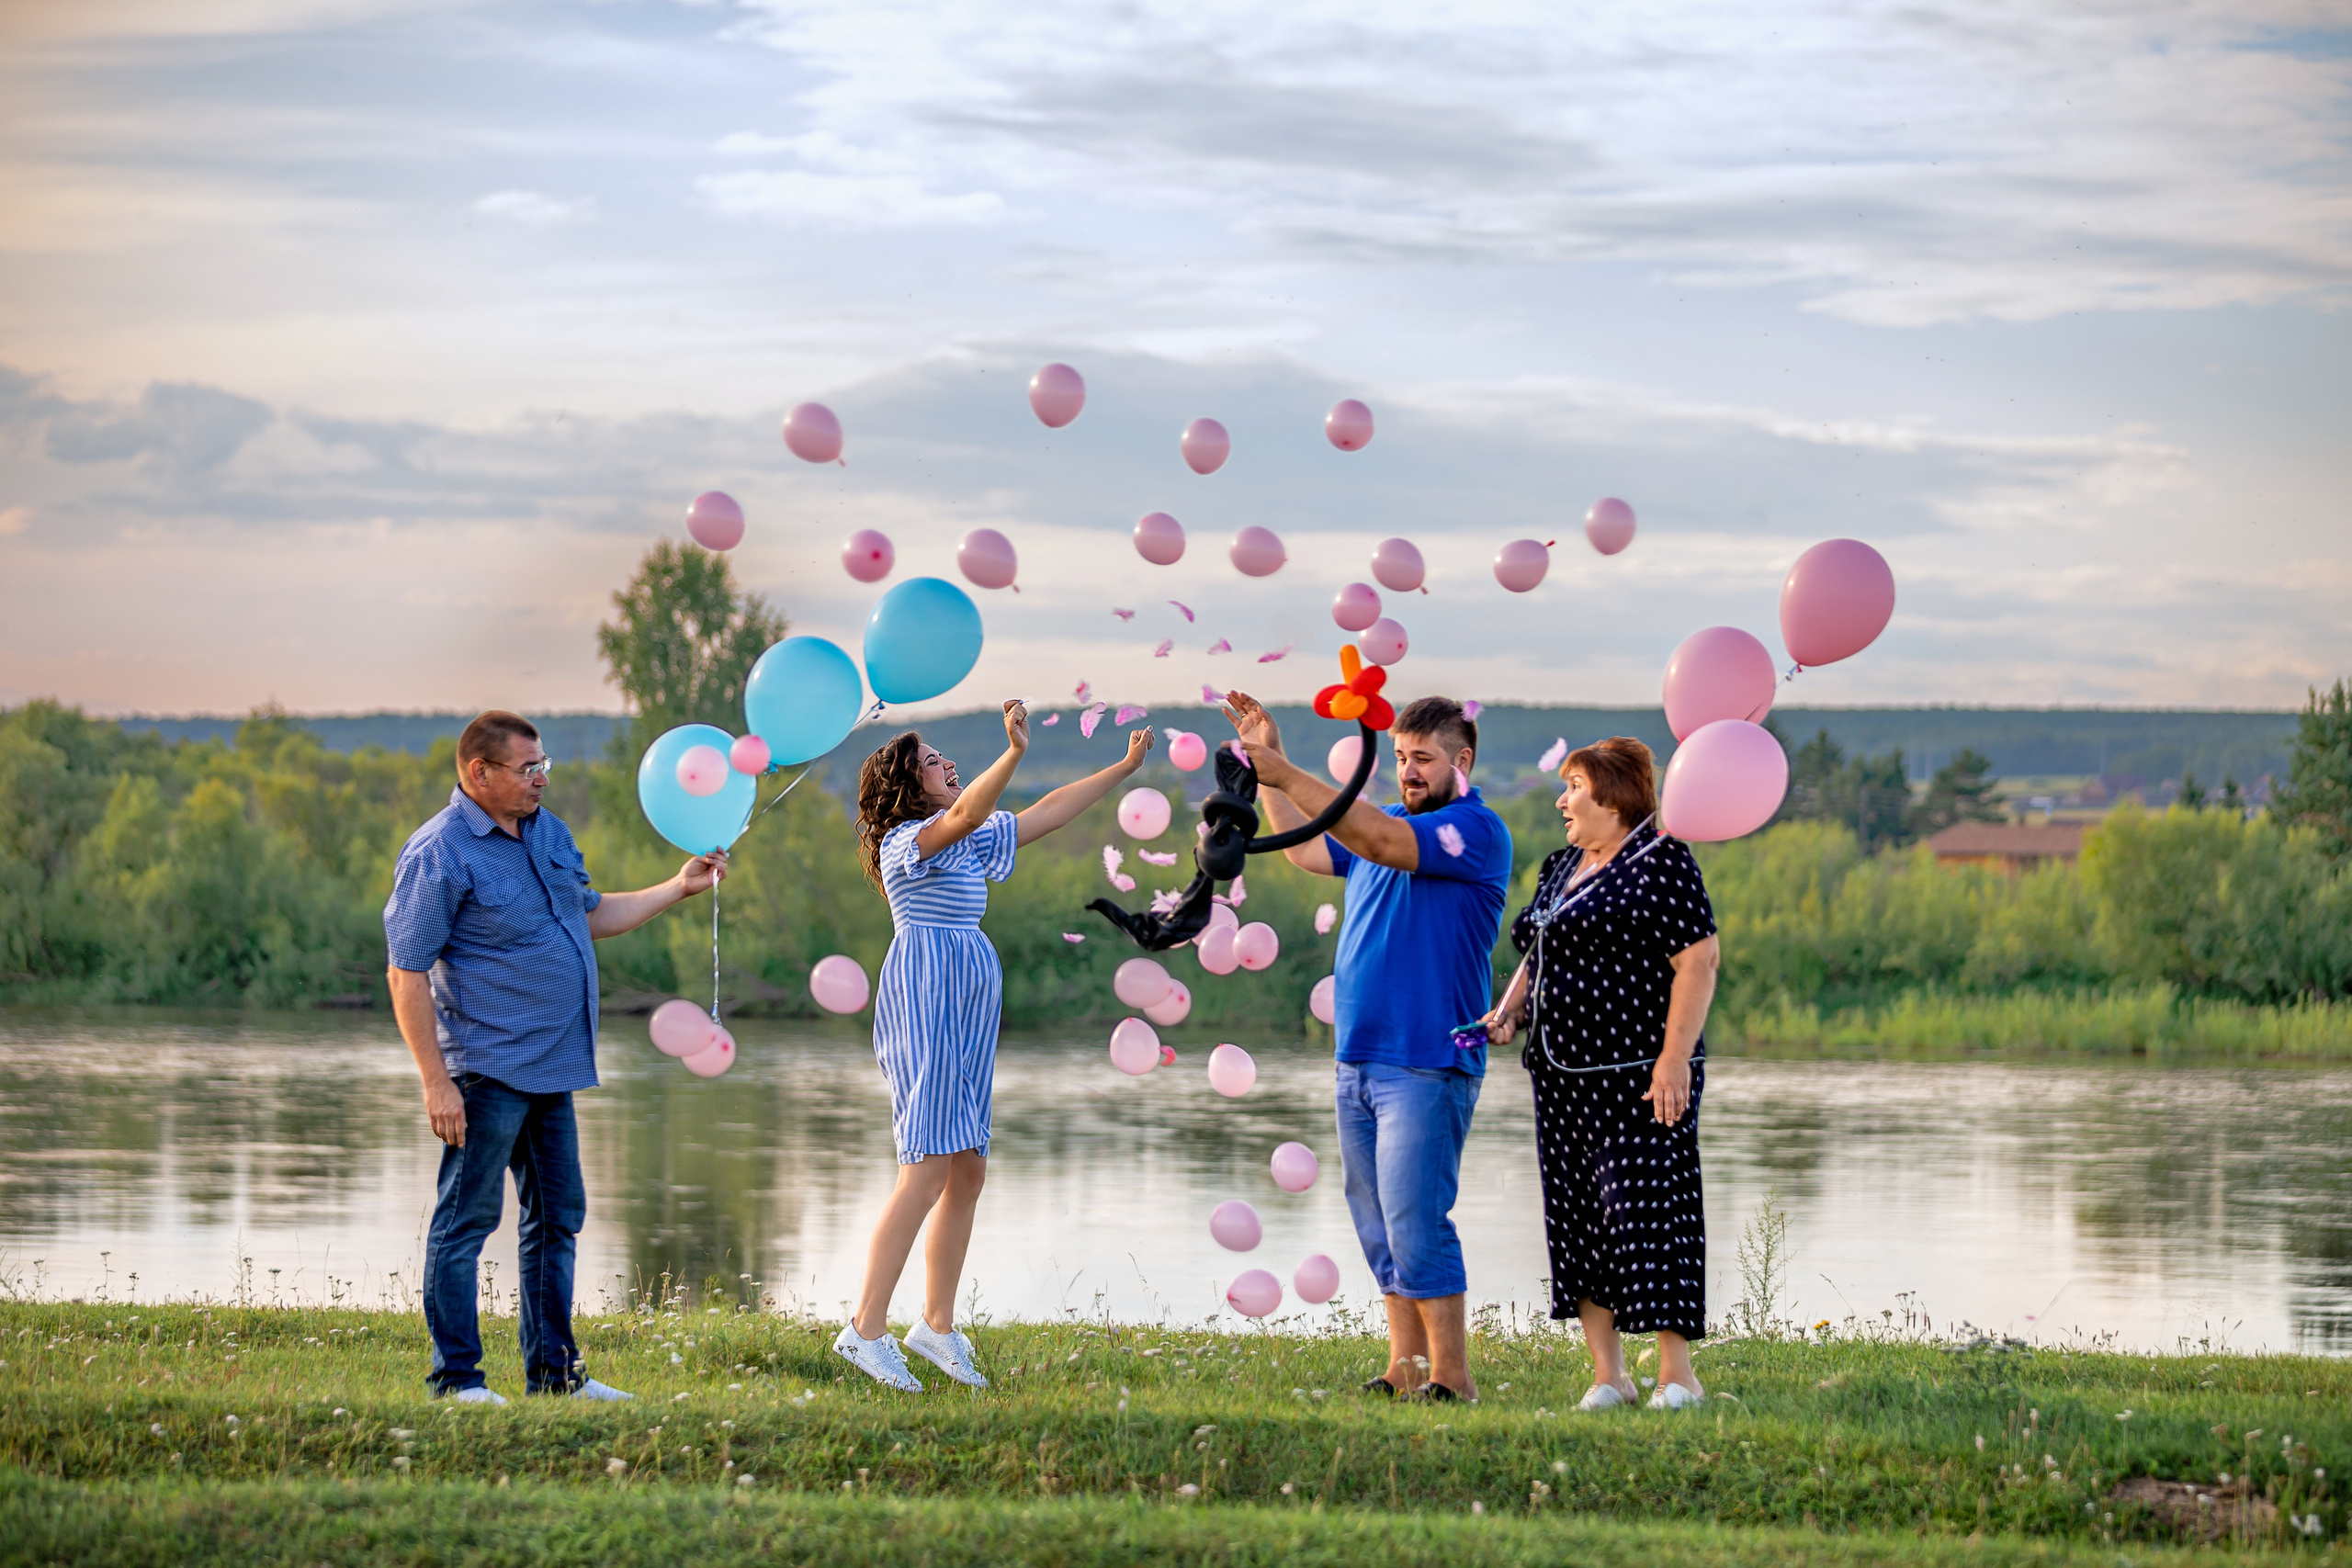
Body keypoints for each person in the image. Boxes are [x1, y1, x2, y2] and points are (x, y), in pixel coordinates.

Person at [384, 710, 728, 1404]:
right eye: (527, 767)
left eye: (545, 766)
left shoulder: (549, 832)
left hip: (554, 1066)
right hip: (484, 1069)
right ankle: (456, 1380)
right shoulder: (441, 850)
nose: (542, 778)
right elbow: (406, 971)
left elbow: (590, 914)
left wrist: (677, 886)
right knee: (466, 1219)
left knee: (558, 1215)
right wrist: (435, 1082)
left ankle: (555, 1376)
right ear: (479, 772)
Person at [836, 702, 1153, 1392]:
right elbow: (968, 813)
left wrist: (1123, 767)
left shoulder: (965, 841)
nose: (948, 764)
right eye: (933, 760)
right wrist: (1010, 754)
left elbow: (1048, 811)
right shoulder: (905, 844)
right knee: (924, 1167)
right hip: (926, 998)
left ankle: (937, 1327)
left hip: (967, 1002)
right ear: (907, 787)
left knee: (966, 1170)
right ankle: (864, 1329)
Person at [1222, 691, 1510, 1402]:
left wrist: (1285, 773)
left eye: (1424, 759)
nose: (1409, 771)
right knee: (1377, 1221)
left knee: (1416, 1218)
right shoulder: (1377, 828)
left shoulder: (1470, 832)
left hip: (1427, 1059)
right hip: (1359, 1056)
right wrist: (1273, 763)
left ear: (1462, 760)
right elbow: (1304, 843)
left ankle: (1454, 1378)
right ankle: (1404, 1367)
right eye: (1403, 758)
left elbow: (1379, 839)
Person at [1481, 738, 1720, 1411]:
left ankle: (1678, 1375)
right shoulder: (1562, 865)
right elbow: (1538, 946)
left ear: (1612, 794)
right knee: (1579, 1218)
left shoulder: (1661, 860)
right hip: (1560, 1075)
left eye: (1574, 785)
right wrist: (1508, 1011)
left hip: (1640, 1076)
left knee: (1648, 1212)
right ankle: (1608, 1374)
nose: (1562, 799)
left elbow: (1698, 962)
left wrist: (1674, 1057)